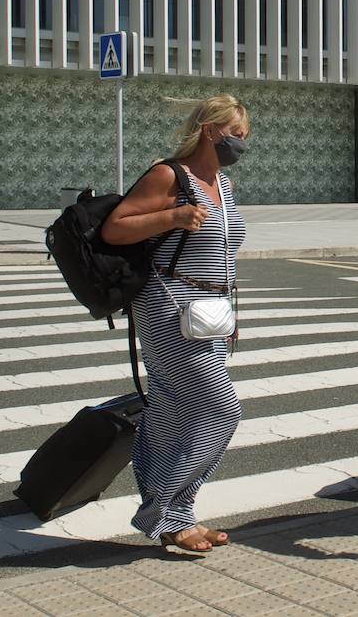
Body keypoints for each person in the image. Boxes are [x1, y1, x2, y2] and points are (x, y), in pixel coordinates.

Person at [100, 95, 250, 553]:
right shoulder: (170, 175)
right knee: (222, 408)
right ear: (211, 131)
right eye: (237, 135)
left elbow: (222, 251)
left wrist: (230, 314)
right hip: (169, 304)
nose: (243, 144)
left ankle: (175, 515)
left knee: (172, 412)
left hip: (209, 311)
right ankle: (163, 511)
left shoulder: (219, 182)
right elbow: (114, 228)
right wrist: (175, 215)